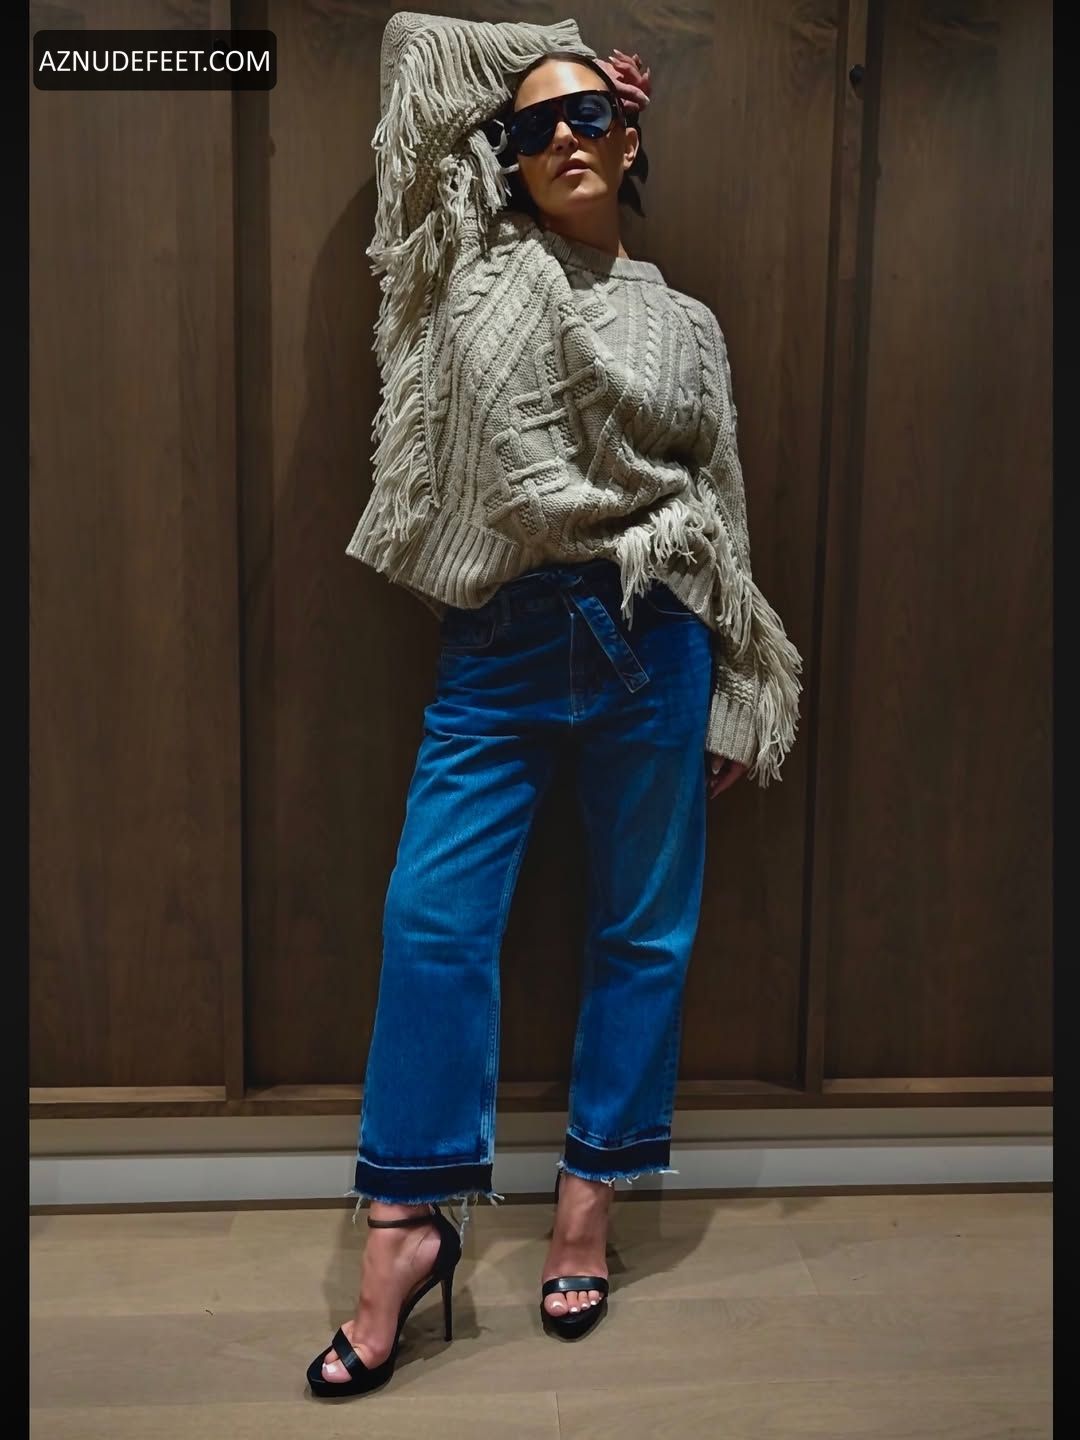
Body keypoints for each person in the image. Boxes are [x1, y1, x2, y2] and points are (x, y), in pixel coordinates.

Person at [307, 10, 802, 1398]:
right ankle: (408, 1228)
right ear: (506, 156)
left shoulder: (688, 325)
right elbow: (416, 50)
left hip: (656, 633)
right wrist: (570, 51)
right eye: (535, 125)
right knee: (432, 920)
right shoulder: (466, 261)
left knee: (641, 928)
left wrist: (741, 683)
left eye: (592, 116)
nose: (566, 137)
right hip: (502, 643)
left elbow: (720, 502)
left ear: (633, 141)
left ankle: (592, 1197)